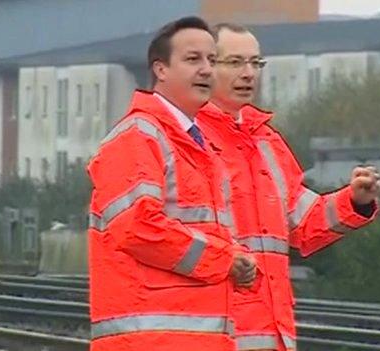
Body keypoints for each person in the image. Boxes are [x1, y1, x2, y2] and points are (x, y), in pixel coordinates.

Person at [196, 23, 380, 351]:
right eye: (236, 62)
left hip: (272, 331)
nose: (249, 73)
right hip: (216, 330)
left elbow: (303, 222)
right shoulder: (189, 139)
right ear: (206, 66)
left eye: (256, 63)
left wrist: (354, 201)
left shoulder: (268, 142)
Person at [87, 17, 256, 351]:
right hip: (152, 341)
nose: (207, 69)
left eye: (212, 59)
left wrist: (237, 255)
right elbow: (137, 227)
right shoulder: (138, 136)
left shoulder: (198, 148)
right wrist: (224, 260)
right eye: (193, 59)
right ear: (160, 70)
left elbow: (205, 232)